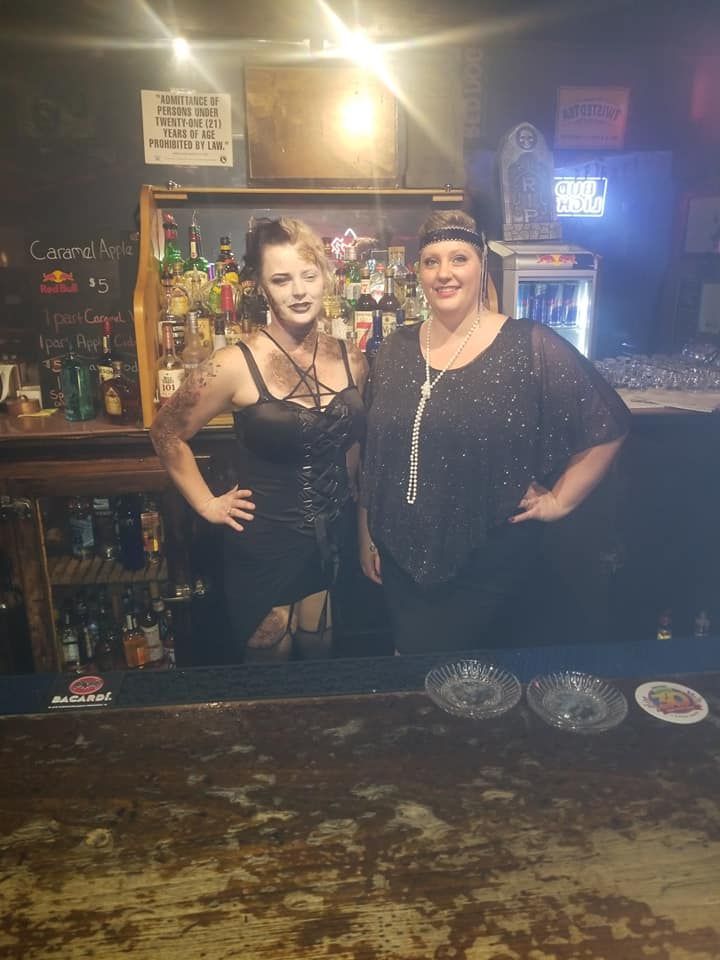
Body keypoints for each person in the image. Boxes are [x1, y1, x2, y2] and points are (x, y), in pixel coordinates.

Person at [359, 210, 630, 654]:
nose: (444, 273)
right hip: (399, 556)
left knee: (471, 686)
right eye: (431, 262)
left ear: (481, 263)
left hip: (487, 560)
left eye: (458, 258)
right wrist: (365, 533)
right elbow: (377, 456)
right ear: (418, 272)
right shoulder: (395, 348)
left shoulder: (528, 344)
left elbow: (608, 422)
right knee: (413, 675)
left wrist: (560, 500)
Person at [151, 217, 367, 662]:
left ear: (325, 277)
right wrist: (207, 502)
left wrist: (358, 512)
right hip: (264, 545)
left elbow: (353, 446)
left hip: (333, 541)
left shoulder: (352, 359)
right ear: (263, 287)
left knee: (321, 659)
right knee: (270, 669)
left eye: (309, 276)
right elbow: (166, 431)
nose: (299, 291)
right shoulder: (234, 363)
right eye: (282, 279)